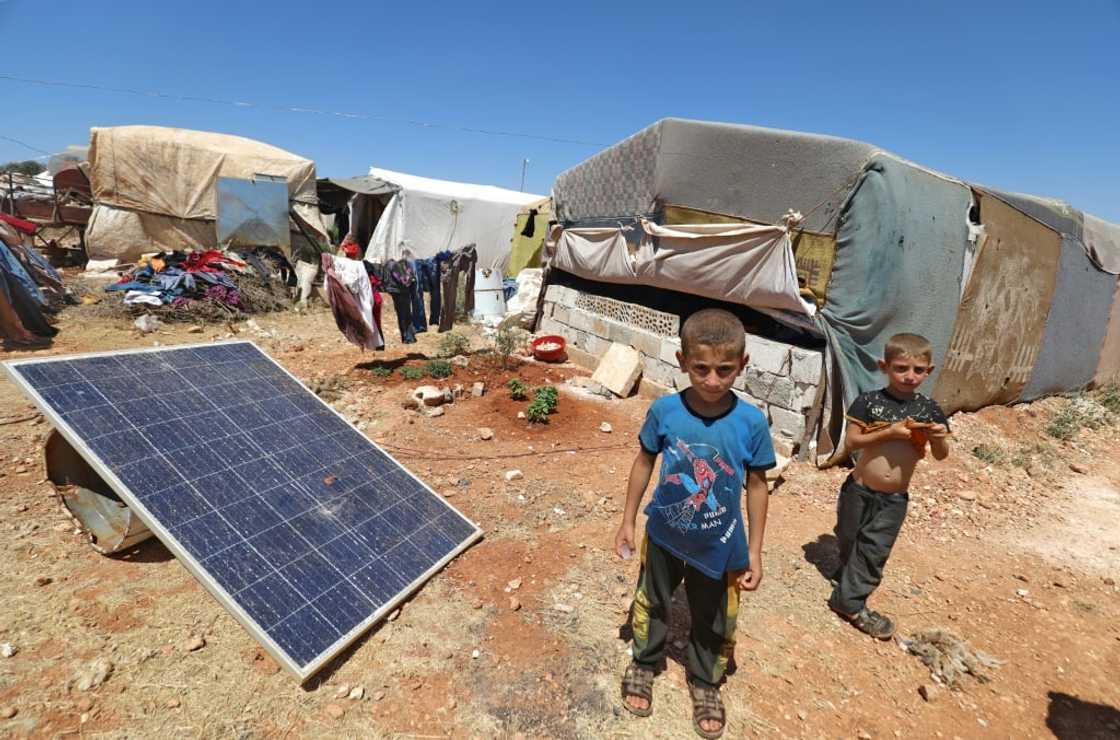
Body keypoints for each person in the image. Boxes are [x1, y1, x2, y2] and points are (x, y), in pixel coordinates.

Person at [614, 308, 775, 739]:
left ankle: (705, 681)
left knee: (716, 614)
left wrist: (755, 551)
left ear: (743, 364)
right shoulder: (665, 410)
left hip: (721, 544)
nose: (712, 380)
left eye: (725, 370)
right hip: (665, 533)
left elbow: (756, 487)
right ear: (682, 361)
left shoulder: (752, 423)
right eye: (700, 368)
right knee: (652, 599)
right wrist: (628, 520)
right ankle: (645, 661)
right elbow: (644, 461)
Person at [829, 332, 951, 639]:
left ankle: (850, 604)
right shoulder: (868, 402)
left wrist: (937, 437)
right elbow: (852, 441)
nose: (910, 376)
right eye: (900, 368)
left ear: (929, 371)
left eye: (918, 370)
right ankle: (847, 576)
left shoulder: (929, 409)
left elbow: (941, 455)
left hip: (893, 499)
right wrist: (890, 433)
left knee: (873, 550)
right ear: (884, 366)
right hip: (857, 489)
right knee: (849, 537)